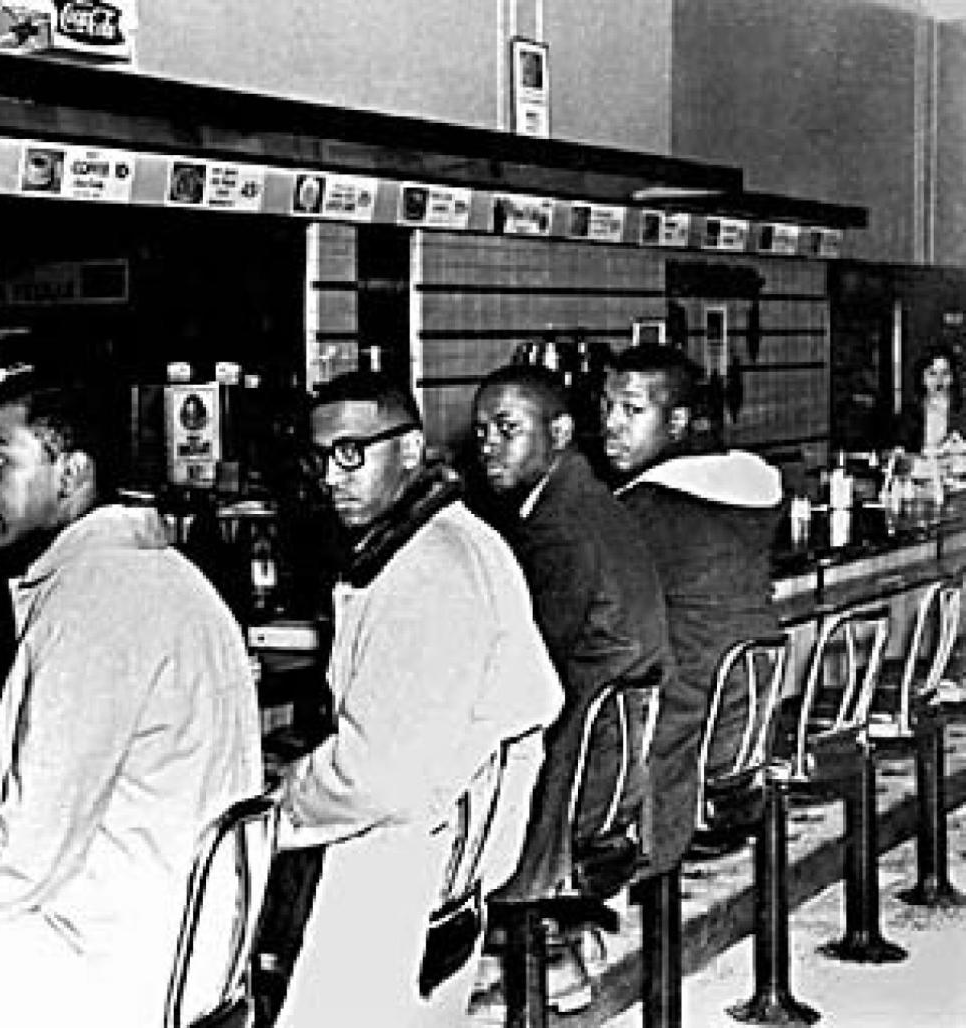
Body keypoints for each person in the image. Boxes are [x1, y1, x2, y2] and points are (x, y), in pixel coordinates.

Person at [0, 372, 263, 1027]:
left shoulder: (93, 600)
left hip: (109, 969)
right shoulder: (170, 575)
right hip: (195, 957)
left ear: (71, 473)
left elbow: (23, 862)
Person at [274, 370, 563, 1028]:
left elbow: (375, 778)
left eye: (352, 453)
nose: (332, 477)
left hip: (400, 862)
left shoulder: (426, 568)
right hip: (452, 852)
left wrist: (285, 799)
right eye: (320, 458)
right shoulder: (451, 537)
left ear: (409, 449)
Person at [469, 364, 672, 1010]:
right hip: (608, 757)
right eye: (482, 432)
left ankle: (541, 950)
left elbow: (530, 664)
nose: (489, 446)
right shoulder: (587, 501)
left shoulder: (558, 526)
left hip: (577, 762)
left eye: (508, 429)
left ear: (557, 432)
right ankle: (561, 939)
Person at [601, 344, 783, 871]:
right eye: (607, 407)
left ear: (677, 421)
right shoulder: (749, 494)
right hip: (735, 736)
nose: (612, 425)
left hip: (672, 747)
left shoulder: (645, 510)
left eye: (632, 410)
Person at [895, 344, 966, 454]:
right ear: (922, 377)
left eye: (945, 373)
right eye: (932, 374)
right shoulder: (911, 412)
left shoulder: (962, 410)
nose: (939, 381)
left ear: (953, 377)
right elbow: (901, 448)